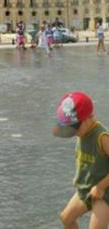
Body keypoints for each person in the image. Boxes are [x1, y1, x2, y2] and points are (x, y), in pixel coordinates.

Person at [52, 92, 109, 229]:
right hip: (86, 189)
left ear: (90, 117)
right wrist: (79, 177)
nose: (73, 132)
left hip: (105, 193)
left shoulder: (102, 137)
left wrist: (100, 187)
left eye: (75, 127)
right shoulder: (81, 132)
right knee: (66, 219)